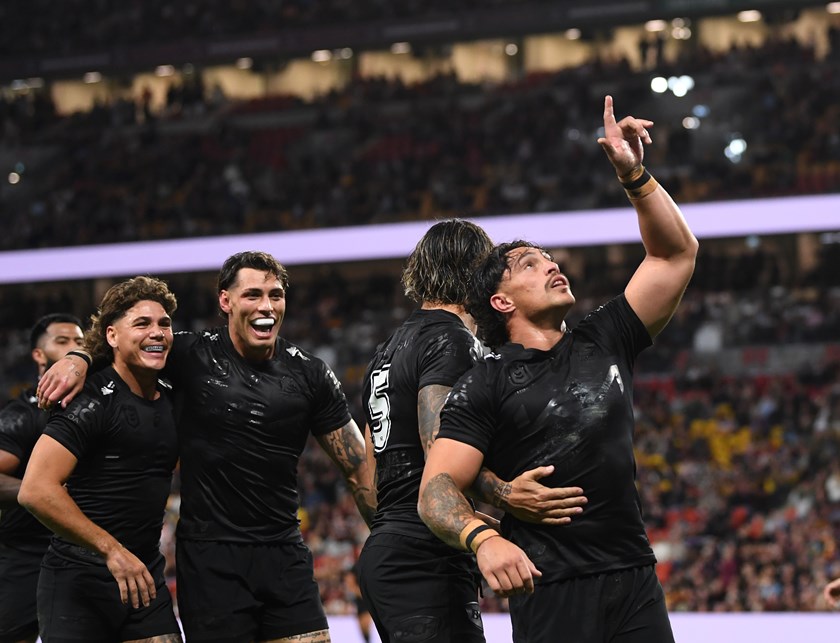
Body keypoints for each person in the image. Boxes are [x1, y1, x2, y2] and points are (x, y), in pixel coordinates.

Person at [417, 96, 699, 643]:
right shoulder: (486, 382)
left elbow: (675, 255)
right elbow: (437, 489)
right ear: (501, 302)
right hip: (551, 587)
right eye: (530, 263)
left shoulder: (604, 337)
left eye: (550, 258)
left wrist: (634, 175)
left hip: (634, 577)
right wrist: (484, 539)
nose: (552, 264)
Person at [37, 251, 376, 643]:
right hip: (211, 560)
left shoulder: (310, 373)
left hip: (284, 552)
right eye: (252, 294)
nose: (266, 306)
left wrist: (385, 537)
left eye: (276, 294)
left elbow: (356, 465)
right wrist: (79, 357)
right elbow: (127, 343)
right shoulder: (188, 354)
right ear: (225, 301)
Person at [357, 219, 588, 643]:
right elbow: (438, 451)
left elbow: (369, 475)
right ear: (475, 272)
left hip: (389, 547)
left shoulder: (385, 351)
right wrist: (502, 494)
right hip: (424, 552)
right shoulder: (452, 340)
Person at [18, 277, 182, 642]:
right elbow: (35, 489)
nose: (157, 333)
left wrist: (79, 356)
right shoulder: (90, 399)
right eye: (142, 324)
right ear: (111, 336)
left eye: (164, 324)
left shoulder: (174, 392)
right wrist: (112, 550)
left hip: (143, 577)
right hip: (78, 581)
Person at [0, 314, 84, 643]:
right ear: (39, 354)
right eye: (62, 342)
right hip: (27, 552)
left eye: (79, 341)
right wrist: (44, 491)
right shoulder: (22, 415)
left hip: (84, 550)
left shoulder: (99, 404)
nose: (74, 348)